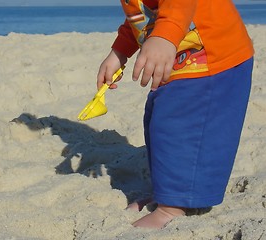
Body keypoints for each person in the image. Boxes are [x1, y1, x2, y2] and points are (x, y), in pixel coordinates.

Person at [97, 0, 254, 229]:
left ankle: (171, 208)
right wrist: (119, 53)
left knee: (178, 127)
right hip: (186, 60)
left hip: (213, 58)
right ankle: (168, 192)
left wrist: (164, 36)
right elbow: (142, 15)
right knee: (158, 123)